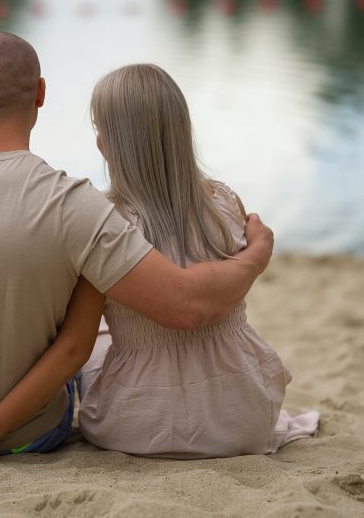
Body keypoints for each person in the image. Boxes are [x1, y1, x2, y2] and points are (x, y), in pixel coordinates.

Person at [0, 32, 274, 462]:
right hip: (23, 435)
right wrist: (257, 255)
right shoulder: (74, 204)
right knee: (56, 298)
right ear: (40, 93)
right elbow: (169, 309)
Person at [75, 63, 319, 458]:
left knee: (96, 335)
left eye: (99, 128)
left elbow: (73, 345)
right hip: (244, 418)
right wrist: (257, 254)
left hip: (139, 425)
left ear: (110, 143)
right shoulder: (224, 204)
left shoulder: (102, 221)